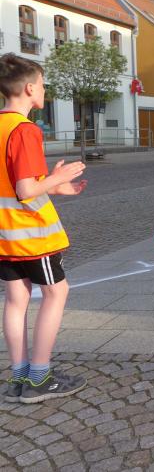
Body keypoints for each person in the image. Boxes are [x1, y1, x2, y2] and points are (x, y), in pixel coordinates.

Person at [0, 54, 88, 403]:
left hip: (4, 235)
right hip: (32, 236)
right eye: (42, 84)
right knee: (56, 293)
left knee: (15, 300)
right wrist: (57, 177)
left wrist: (54, 185)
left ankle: (19, 377)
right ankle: (39, 377)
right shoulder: (25, 130)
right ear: (29, 88)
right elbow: (25, 190)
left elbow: (12, 183)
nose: (44, 90)